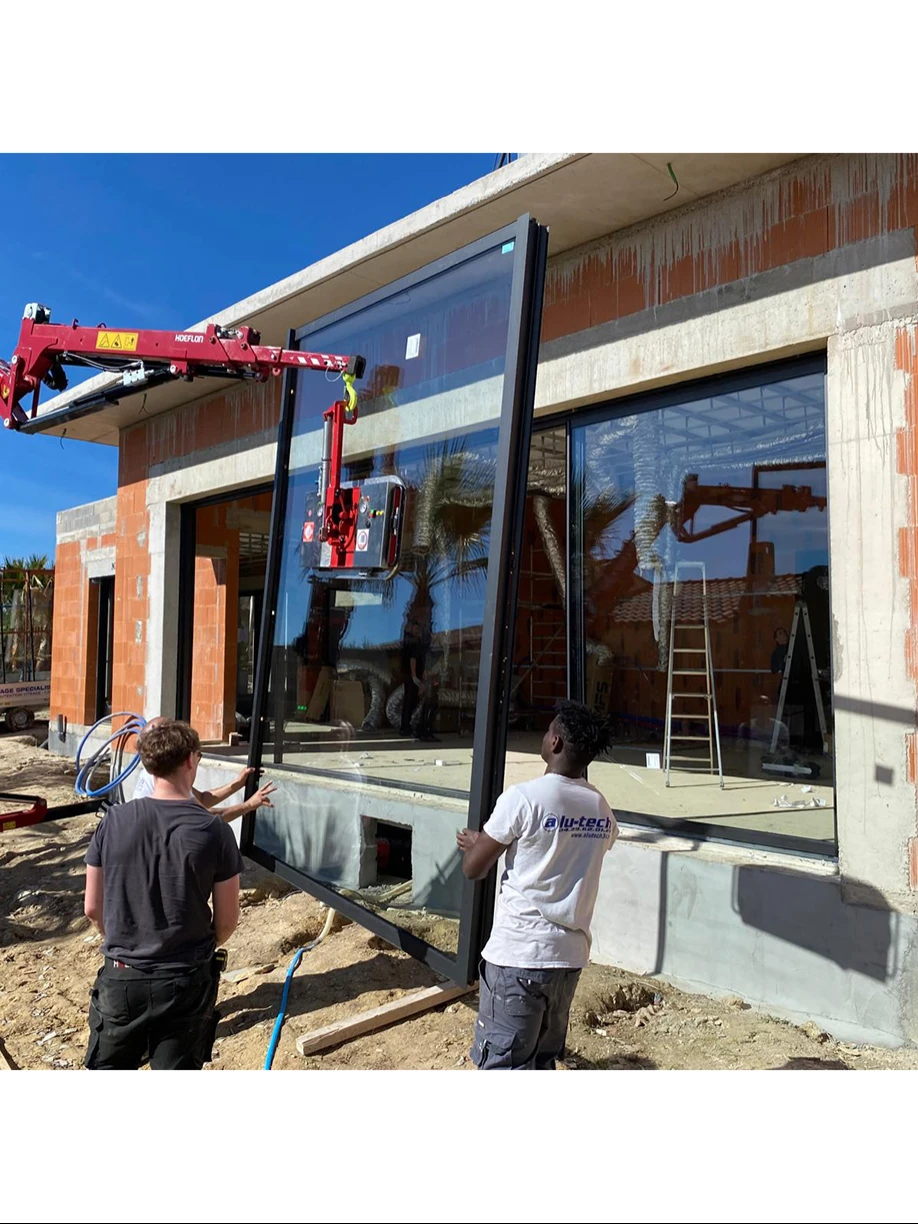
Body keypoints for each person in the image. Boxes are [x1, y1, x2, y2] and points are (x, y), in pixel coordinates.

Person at [83, 719, 256, 1070]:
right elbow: (226, 921)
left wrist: (123, 941)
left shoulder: (112, 822)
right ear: (191, 760)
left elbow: (91, 908)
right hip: (186, 979)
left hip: (122, 975)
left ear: (148, 763)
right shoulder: (214, 831)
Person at [456, 700, 618, 1070]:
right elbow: (563, 850)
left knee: (505, 1066)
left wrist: (481, 845)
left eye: (547, 731)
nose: (544, 736)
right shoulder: (600, 807)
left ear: (556, 743)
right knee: (542, 1061)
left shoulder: (523, 797)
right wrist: (490, 839)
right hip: (567, 961)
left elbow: (473, 869)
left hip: (520, 957)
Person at [132, 715, 275, 818]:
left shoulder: (157, 771)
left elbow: (201, 798)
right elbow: (206, 817)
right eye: (196, 756)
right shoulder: (161, 781)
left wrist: (236, 784)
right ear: (188, 760)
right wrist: (248, 805)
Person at [399, 593, 438, 741]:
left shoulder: (409, 640)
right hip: (412, 675)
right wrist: (415, 676)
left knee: (410, 700)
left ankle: (406, 726)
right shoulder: (413, 642)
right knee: (410, 700)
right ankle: (406, 726)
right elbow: (413, 659)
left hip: (412, 674)